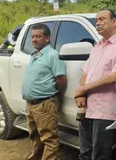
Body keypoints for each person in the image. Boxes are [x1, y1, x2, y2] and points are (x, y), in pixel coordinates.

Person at [74, 9, 116, 160]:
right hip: (88, 110)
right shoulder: (97, 47)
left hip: (107, 112)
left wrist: (83, 89)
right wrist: (81, 95)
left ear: (114, 22)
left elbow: (115, 77)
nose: (98, 23)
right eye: (96, 21)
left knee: (102, 156)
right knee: (85, 154)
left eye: (102, 19)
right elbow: (86, 72)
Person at [22, 23, 66, 160]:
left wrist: (50, 96)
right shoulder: (34, 55)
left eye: (38, 36)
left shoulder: (52, 55)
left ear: (47, 38)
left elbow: (61, 79)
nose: (34, 39)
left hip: (44, 104)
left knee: (49, 139)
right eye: (33, 36)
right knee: (35, 137)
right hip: (31, 104)